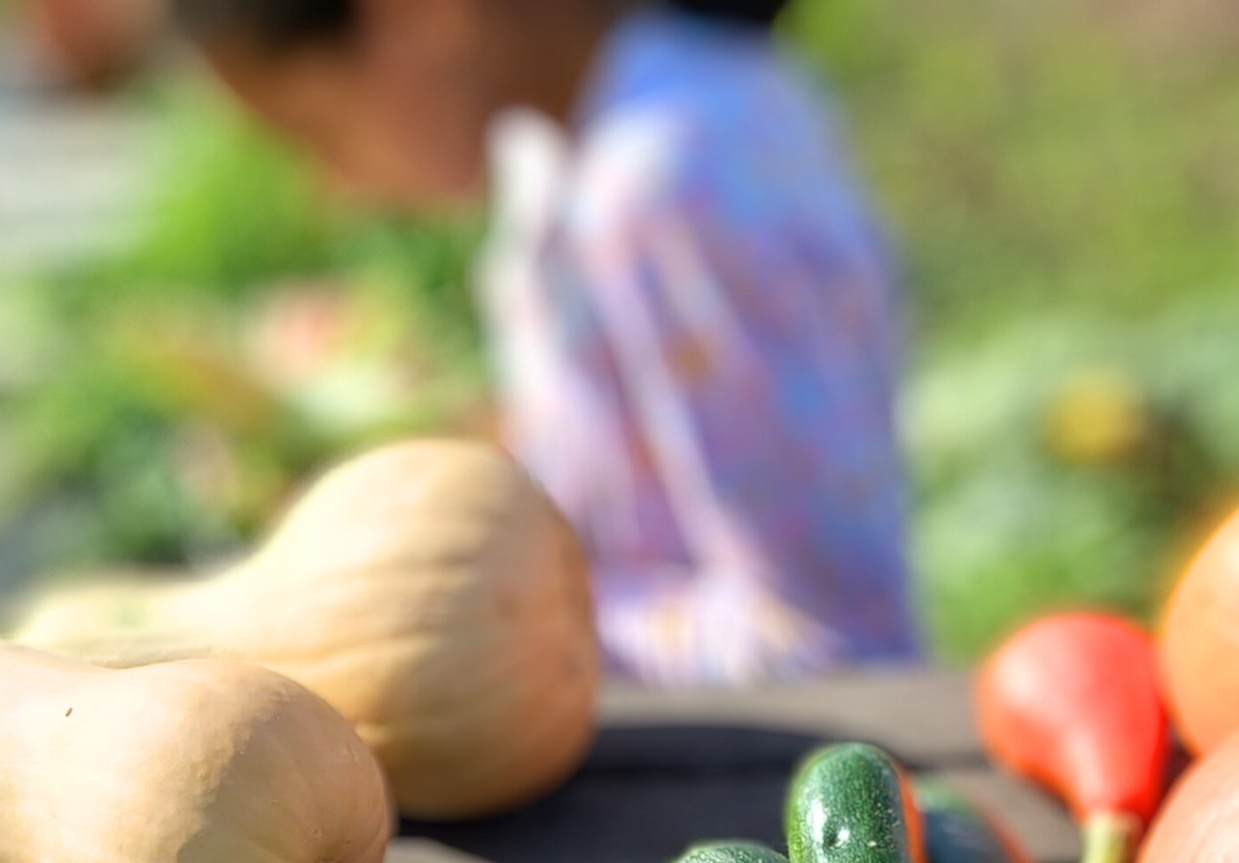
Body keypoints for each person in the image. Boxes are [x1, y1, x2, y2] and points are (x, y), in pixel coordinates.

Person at [174, 0, 922, 684]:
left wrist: (467, 631)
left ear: (417, 16)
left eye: (314, 132)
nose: (332, 189)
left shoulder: (673, 187)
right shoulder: (554, 152)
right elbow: (634, 485)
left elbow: (831, 641)